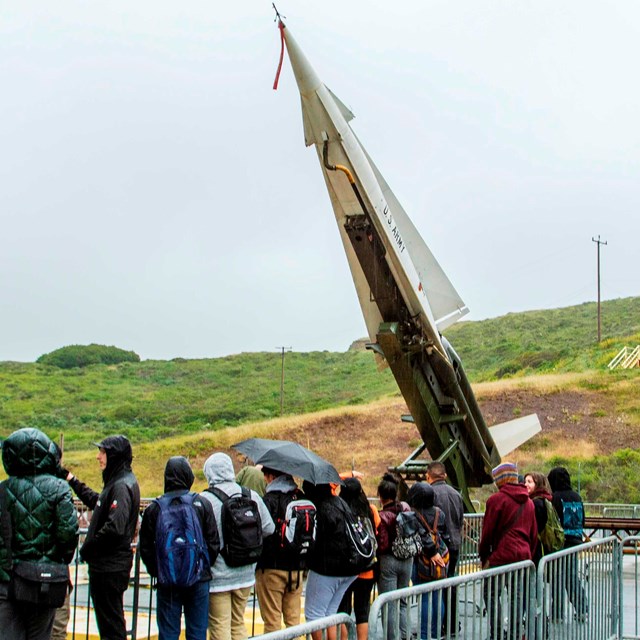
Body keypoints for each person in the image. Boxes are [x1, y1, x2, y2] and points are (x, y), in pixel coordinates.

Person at [0, 427, 79, 640]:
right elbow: (68, 535)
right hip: (45, 581)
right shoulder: (60, 489)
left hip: (8, 583)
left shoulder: (3, 489)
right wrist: (56, 559)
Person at [65, 435, 141, 640]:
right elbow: (98, 503)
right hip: (108, 566)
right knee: (110, 623)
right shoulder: (117, 482)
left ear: (114, 456)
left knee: (111, 626)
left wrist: (89, 548)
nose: (98, 457)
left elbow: (114, 527)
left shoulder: (121, 485)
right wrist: (72, 480)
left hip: (110, 567)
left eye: (103, 452)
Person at [139, 456, 220, 640]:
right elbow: (214, 543)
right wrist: (202, 567)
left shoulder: (155, 508)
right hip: (199, 579)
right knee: (197, 632)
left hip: (167, 581)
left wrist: (159, 571)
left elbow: (145, 548)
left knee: (168, 633)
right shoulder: (201, 504)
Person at [200, 452, 274, 640]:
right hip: (246, 573)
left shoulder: (204, 500)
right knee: (238, 623)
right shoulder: (251, 496)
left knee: (219, 626)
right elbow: (269, 528)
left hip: (218, 577)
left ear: (209, 473)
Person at [479, 462, 537, 640]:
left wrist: (484, 556)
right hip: (523, 557)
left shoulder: (496, 501)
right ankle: (514, 633)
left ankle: (496, 632)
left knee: (491, 595)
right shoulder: (529, 503)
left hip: (500, 557)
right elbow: (533, 534)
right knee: (517, 598)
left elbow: (487, 532)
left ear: (500, 480)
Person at [303, 482, 361, 640]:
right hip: (350, 566)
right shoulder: (340, 502)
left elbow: (317, 539)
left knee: (314, 615)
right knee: (331, 613)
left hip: (327, 567)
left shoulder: (320, 508)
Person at [255, 467, 307, 632]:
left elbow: (261, 531)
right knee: (293, 623)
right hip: (297, 568)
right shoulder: (300, 497)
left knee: (272, 623)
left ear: (272, 476)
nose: (265, 480)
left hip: (271, 568)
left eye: (266, 476)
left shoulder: (268, 500)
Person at [337, 478, 381, 640]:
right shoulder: (370, 510)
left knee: (343, 610)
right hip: (367, 568)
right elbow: (376, 531)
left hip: (346, 569)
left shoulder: (340, 511)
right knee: (362, 610)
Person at [426, 461, 464, 635]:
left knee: (435, 586)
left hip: (438, 547)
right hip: (455, 545)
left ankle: (436, 626)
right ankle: (452, 624)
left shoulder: (430, 494)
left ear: (428, 475)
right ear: (445, 475)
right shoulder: (456, 494)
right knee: (451, 582)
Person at [407, 481, 449, 640]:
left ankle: (424, 635)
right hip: (440, 559)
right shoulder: (439, 513)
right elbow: (444, 534)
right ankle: (437, 632)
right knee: (438, 596)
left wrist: (431, 552)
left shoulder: (413, 513)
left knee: (424, 597)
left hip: (421, 560)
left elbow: (419, 535)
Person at [547, 466, 588, 622]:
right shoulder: (577, 497)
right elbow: (583, 519)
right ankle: (582, 608)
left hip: (561, 543)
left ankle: (557, 614)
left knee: (557, 578)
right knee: (572, 576)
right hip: (576, 541)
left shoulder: (555, 498)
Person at [376, 474, 413, 640]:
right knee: (403, 601)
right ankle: (405, 635)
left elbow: (383, 545)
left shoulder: (382, 516)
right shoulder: (405, 509)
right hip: (407, 558)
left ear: (380, 496)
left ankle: (391, 638)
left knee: (389, 604)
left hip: (389, 561)